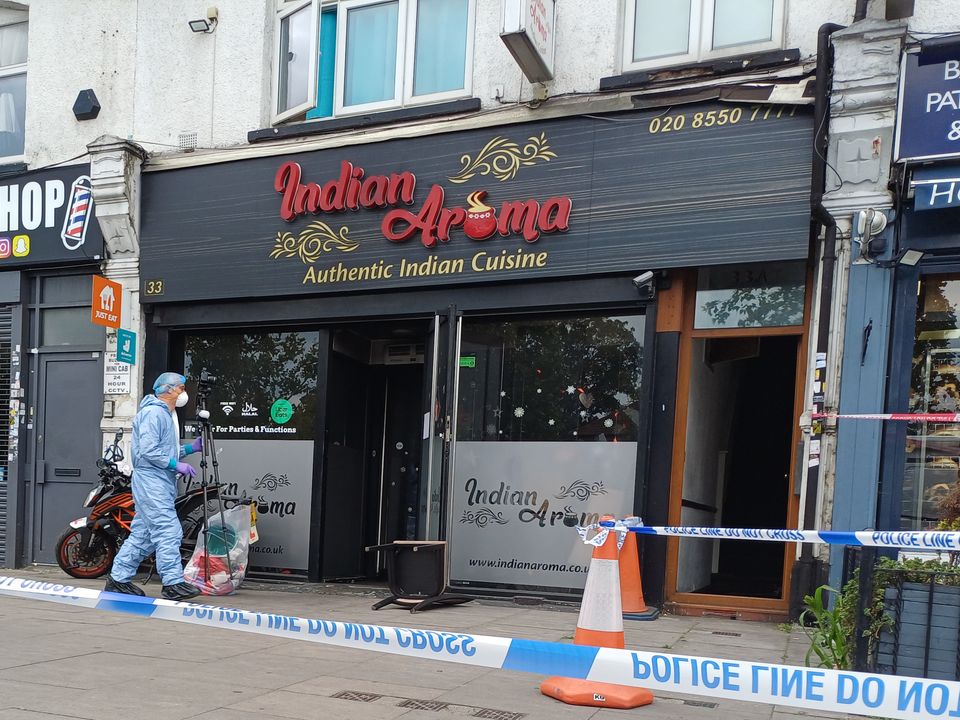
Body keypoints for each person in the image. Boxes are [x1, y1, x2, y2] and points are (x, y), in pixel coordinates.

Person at [104, 372, 204, 600]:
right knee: (168, 530)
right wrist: (175, 465)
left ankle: (118, 579)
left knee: (144, 535)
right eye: (181, 388)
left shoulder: (164, 415)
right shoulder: (154, 414)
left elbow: (163, 451)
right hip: (152, 481)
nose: (183, 393)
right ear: (168, 389)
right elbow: (149, 452)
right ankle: (173, 583)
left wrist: (189, 450)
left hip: (158, 481)